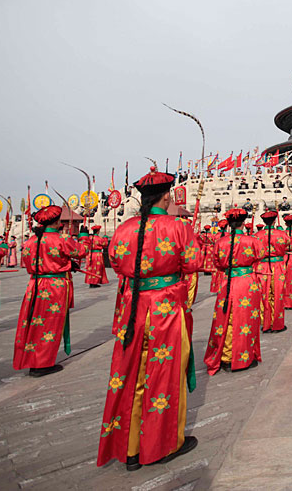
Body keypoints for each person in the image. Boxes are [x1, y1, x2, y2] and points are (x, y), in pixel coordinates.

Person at [97, 166, 204, 471]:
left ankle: (129, 448)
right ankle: (162, 443)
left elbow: (116, 263)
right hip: (165, 307)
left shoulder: (124, 228)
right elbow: (195, 262)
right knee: (164, 373)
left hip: (132, 306)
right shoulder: (177, 226)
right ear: (167, 196)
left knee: (130, 374)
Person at [15, 205, 88, 376]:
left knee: (33, 322)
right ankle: (43, 363)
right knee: (50, 324)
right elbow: (82, 251)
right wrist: (83, 237)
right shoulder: (61, 239)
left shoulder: (31, 241)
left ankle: (32, 359)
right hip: (55, 286)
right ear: (56, 222)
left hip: (35, 284)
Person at [204, 208, 266, 375]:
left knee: (226, 317)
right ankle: (244, 355)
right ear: (244, 223)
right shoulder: (252, 240)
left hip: (228, 281)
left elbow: (216, 263)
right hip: (247, 282)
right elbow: (260, 255)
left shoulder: (220, 242)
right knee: (247, 318)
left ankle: (226, 356)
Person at [255, 210, 289, 334]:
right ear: (275, 221)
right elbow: (287, 244)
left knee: (264, 295)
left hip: (262, 266)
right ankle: (277, 324)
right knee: (278, 294)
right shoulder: (281, 234)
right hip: (278, 266)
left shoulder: (257, 236)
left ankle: (265, 323)